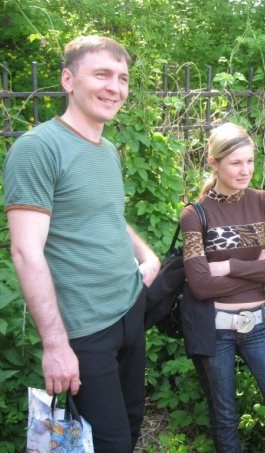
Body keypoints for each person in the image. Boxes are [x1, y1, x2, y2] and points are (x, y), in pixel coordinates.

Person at [3, 36, 160, 452]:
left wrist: (146, 255)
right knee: (107, 443)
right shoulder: (38, 148)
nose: (115, 87)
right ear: (68, 80)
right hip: (85, 331)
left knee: (130, 423)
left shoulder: (107, 149)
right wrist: (56, 346)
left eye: (123, 78)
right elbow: (25, 251)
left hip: (129, 309)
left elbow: (106, 215)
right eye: (102, 74)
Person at [179, 122, 265, 452]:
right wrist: (261, 267)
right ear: (214, 163)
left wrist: (229, 266)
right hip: (215, 331)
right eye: (236, 163)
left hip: (261, 326)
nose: (246, 171)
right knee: (225, 419)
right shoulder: (194, 215)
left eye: (250, 161)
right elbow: (200, 286)